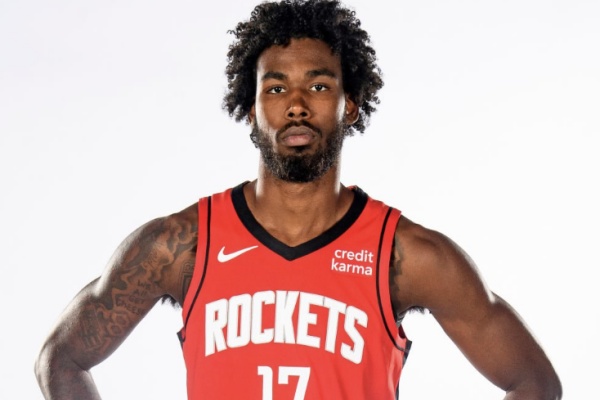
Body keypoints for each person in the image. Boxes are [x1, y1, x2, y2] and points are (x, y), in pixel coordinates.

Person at [34, 0, 562, 399]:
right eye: (275, 88)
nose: (296, 106)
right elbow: (61, 359)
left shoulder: (406, 255)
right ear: (251, 109)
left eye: (319, 86)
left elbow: (534, 383)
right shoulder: (181, 245)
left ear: (350, 104)